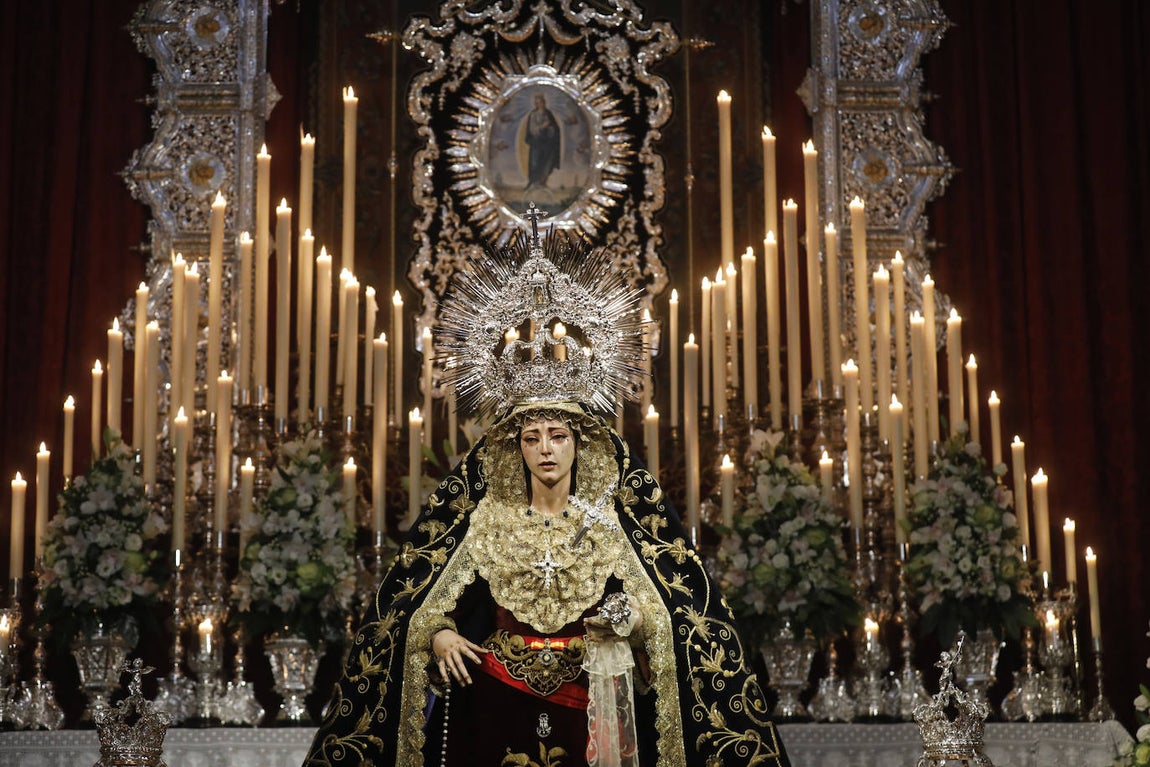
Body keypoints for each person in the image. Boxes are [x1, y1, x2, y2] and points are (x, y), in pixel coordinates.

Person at [303, 220, 791, 767]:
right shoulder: (488, 518)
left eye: (558, 436)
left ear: (580, 444)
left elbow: (671, 615)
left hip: (591, 702)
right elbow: (422, 607)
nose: (545, 449)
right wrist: (439, 636)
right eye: (531, 438)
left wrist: (626, 621)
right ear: (516, 447)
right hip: (493, 703)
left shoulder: (613, 522)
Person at [523, 93, 561, 190]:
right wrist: (543, 126)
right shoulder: (533, 115)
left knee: (547, 162)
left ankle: (543, 182)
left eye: (541, 102)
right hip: (537, 143)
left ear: (544, 102)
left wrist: (551, 129)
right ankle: (533, 182)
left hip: (548, 143)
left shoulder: (548, 114)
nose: (539, 104)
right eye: (537, 103)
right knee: (535, 163)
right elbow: (532, 129)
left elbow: (555, 128)